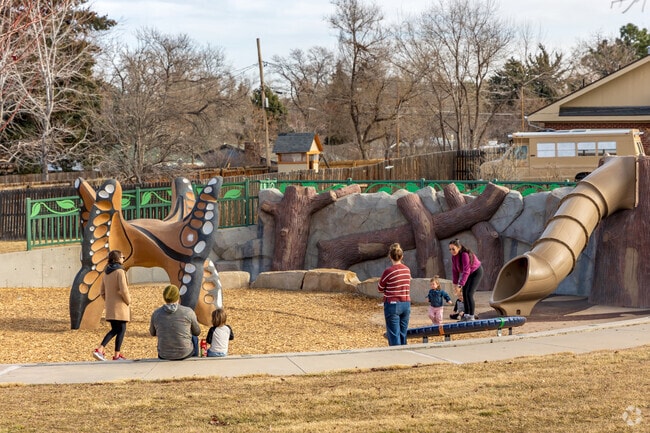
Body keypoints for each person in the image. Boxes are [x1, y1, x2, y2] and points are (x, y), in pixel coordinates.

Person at [93, 250, 131, 361]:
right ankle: (114, 354)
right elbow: (124, 289)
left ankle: (102, 350)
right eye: (122, 257)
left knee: (115, 329)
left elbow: (102, 292)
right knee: (122, 329)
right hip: (120, 305)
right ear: (118, 258)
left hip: (110, 306)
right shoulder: (120, 271)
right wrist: (128, 301)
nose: (123, 259)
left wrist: (109, 301)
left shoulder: (106, 273)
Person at [149, 284, 201, 360]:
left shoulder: (156, 313)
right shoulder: (188, 312)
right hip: (185, 353)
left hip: (164, 354)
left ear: (164, 297)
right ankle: (194, 360)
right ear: (178, 296)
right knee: (194, 337)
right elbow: (197, 332)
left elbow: (152, 333)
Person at [378, 243, 411, 346]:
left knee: (393, 334)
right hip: (406, 303)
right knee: (402, 333)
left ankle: (396, 356)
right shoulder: (407, 270)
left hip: (392, 304)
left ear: (390, 256)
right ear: (402, 256)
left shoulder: (388, 271)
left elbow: (380, 288)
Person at [449, 239, 483, 321]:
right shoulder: (454, 257)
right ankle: (466, 315)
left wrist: (460, 285)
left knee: (469, 294)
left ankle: (471, 316)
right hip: (469, 274)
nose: (451, 251)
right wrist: (455, 284)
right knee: (464, 294)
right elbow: (455, 271)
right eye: (450, 249)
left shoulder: (464, 255)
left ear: (459, 247)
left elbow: (466, 271)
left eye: (453, 249)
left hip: (476, 272)